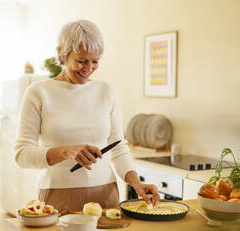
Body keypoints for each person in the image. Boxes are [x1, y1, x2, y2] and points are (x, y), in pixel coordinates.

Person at [14, 19, 159, 212]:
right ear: (62, 54)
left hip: (106, 194)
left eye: (95, 61)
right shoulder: (39, 93)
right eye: (81, 61)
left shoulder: (107, 91)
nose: (88, 68)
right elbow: (22, 154)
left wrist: (136, 183)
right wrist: (66, 151)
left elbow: (118, 147)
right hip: (56, 195)